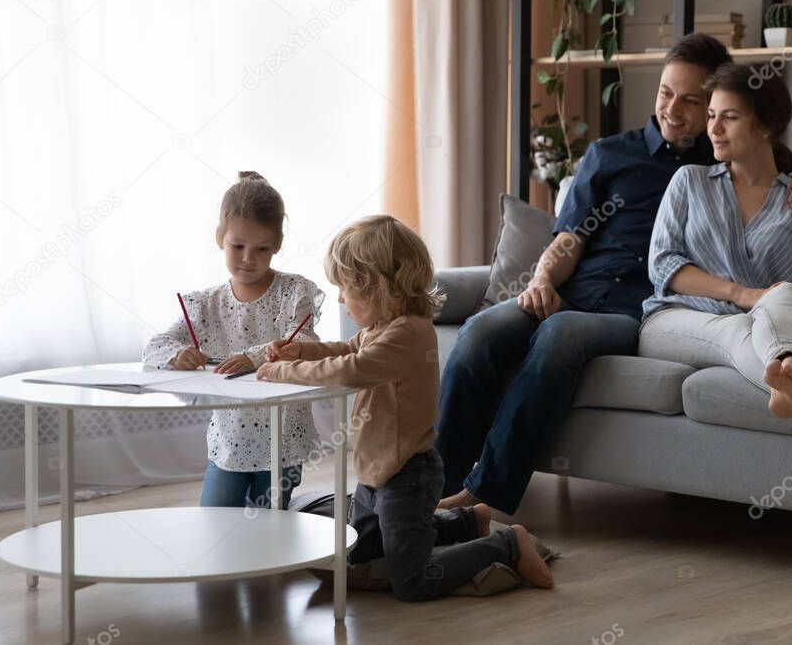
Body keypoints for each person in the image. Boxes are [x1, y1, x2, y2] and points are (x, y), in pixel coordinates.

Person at [436, 34, 792, 515]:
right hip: (574, 290)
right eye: (667, 92)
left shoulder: (716, 164)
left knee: (560, 335)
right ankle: (436, 491)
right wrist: (542, 278)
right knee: (479, 332)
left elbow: (774, 178)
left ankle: (486, 498)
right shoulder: (611, 154)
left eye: (694, 101)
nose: (674, 109)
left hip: (638, 309)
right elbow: (569, 239)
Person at [256, 215, 553, 600]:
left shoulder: (406, 333)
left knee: (412, 580)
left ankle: (508, 546)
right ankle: (466, 522)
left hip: (405, 476)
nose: (341, 299)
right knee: (359, 552)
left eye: (346, 289)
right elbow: (348, 349)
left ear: (378, 286)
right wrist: (303, 350)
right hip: (373, 472)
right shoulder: (384, 325)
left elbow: (354, 368)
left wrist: (287, 370)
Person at [639, 62, 792, 440]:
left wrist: (778, 304)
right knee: (746, 320)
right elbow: (662, 267)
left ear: (766, 125)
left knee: (782, 293)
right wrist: (746, 296)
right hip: (675, 320)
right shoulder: (689, 182)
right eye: (711, 116)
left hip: (764, 328)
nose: (714, 129)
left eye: (730, 117)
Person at [142, 171, 322, 509]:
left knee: (269, 524)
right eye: (237, 246)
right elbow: (154, 346)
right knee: (214, 517)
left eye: (261, 248)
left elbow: (304, 341)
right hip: (230, 438)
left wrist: (254, 356)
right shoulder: (206, 303)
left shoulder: (294, 291)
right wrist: (177, 354)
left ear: (277, 245)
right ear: (219, 238)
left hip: (281, 437)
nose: (248, 259)